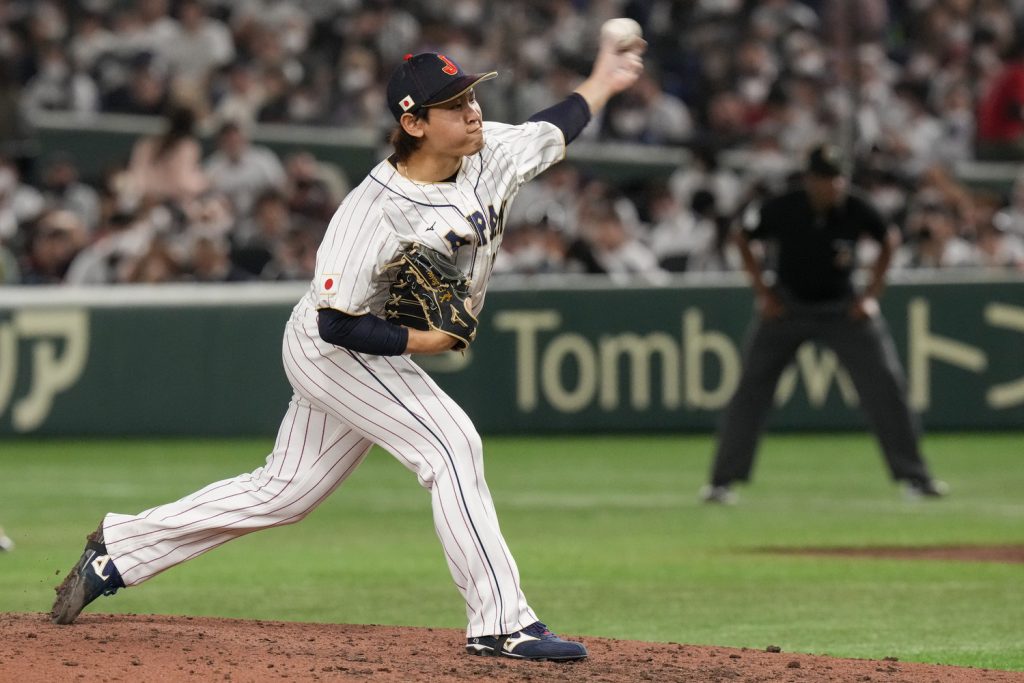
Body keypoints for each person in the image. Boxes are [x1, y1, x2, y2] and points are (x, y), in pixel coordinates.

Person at [50, 28, 645, 663]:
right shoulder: (371, 211)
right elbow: (338, 323)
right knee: (450, 442)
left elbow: (554, 126)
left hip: (360, 348)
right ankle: (501, 622)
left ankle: (120, 549)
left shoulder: (489, 150)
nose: (473, 111)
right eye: (455, 104)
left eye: (472, 96)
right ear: (413, 123)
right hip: (335, 349)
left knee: (286, 491)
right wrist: (424, 339)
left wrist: (603, 80)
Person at [700, 144, 948, 505]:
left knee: (886, 385)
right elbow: (742, 236)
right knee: (751, 391)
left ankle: (916, 477)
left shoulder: (856, 207)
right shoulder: (784, 207)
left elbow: (888, 239)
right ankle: (722, 482)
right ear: (810, 179)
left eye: (837, 178)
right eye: (824, 178)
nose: (832, 186)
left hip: (842, 308)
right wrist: (762, 291)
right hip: (789, 307)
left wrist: (871, 295)